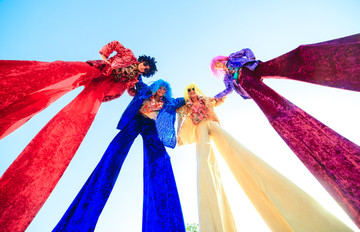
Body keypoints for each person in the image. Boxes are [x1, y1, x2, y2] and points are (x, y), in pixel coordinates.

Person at [0, 41, 158, 232]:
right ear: (142, 60)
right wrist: (104, 57)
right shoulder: (129, 55)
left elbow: (133, 92)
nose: (144, 67)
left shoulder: (134, 81)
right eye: (145, 64)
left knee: (78, 117)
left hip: (101, 88)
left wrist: (145, 94)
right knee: (60, 72)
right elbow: (115, 44)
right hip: (98, 70)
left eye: (146, 69)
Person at [209, 34, 360, 228]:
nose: (221, 65)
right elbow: (227, 91)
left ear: (221, 59)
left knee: (286, 65)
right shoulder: (228, 79)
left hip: (252, 69)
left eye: (219, 63)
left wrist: (250, 62)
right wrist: (213, 99)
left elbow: (247, 50)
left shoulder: (232, 57)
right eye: (218, 67)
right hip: (248, 84)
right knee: (271, 104)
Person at [176, 83, 351, 232]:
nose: (192, 92)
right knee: (204, 156)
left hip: (212, 123)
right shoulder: (187, 106)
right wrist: (177, 133)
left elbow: (221, 97)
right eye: (189, 90)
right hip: (200, 128)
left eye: (193, 89)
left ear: (196, 90)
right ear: (187, 93)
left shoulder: (206, 100)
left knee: (229, 144)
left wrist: (232, 85)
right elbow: (179, 115)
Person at [53, 79, 186, 232]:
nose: (162, 91)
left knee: (160, 155)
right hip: (138, 120)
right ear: (156, 88)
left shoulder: (166, 102)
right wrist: (138, 73)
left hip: (150, 125)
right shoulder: (146, 93)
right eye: (160, 88)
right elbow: (139, 82)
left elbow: (177, 103)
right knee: (117, 146)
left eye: (164, 90)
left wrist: (190, 97)